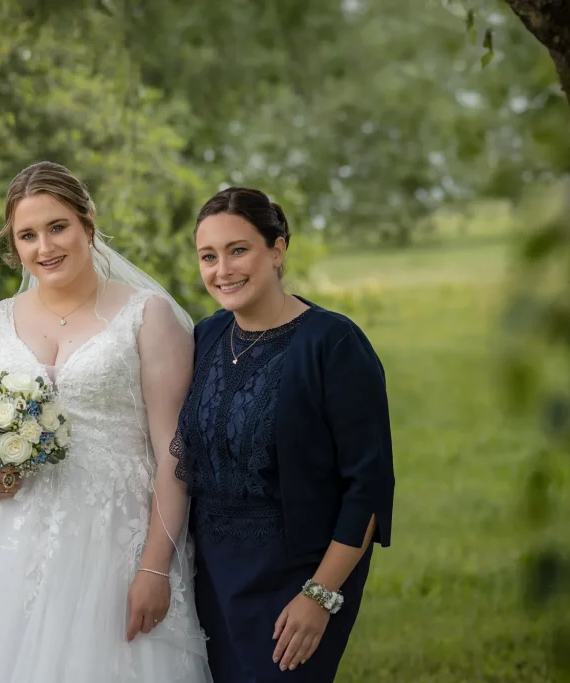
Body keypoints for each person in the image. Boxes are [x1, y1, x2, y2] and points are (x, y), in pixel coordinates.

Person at [0, 161, 212, 682]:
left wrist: (154, 566)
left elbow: (176, 450)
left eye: (57, 227)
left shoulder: (148, 317)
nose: (44, 248)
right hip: (8, 544)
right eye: (27, 235)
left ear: (87, 222)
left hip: (114, 541)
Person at [173, 187, 395, 682]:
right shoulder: (205, 336)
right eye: (208, 257)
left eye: (238, 250)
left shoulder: (334, 344)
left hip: (297, 582)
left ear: (277, 250)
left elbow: (368, 491)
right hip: (208, 578)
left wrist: (320, 596)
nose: (222, 270)